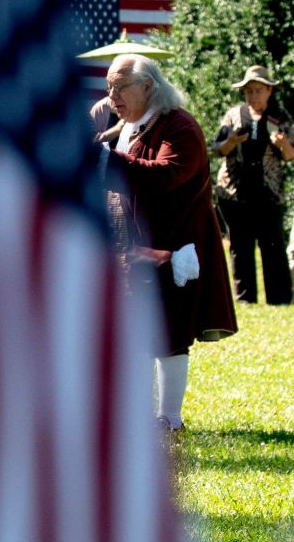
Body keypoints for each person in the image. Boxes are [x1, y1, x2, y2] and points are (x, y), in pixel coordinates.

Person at [102, 53, 237, 431]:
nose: (112, 96)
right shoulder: (129, 124)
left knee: (169, 333)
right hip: (133, 246)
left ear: (148, 86)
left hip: (173, 247)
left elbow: (166, 176)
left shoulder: (179, 126)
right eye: (108, 86)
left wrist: (104, 162)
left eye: (119, 86)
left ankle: (169, 417)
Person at [211, 65, 294, 304]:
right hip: (235, 193)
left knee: (273, 246)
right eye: (249, 91)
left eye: (258, 90)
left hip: (268, 193)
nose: (253, 96)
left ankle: (279, 299)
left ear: (269, 91)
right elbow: (218, 149)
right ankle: (245, 298)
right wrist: (232, 141)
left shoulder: (280, 117)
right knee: (240, 246)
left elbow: (290, 155)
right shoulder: (233, 116)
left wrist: (282, 145)